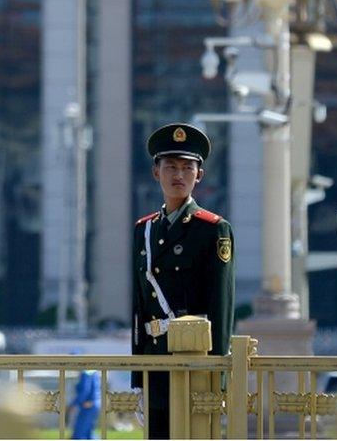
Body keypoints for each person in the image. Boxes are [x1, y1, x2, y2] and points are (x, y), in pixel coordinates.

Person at [130, 123, 235, 439]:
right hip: (155, 362)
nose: (178, 175)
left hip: (195, 362)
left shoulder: (212, 229)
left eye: (187, 168)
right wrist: (138, 378)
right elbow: (139, 307)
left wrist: (218, 377)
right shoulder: (144, 229)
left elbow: (221, 304)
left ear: (199, 175)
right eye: (170, 167)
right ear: (155, 172)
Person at [67, 369, 101, 439]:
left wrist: (73, 404)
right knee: (88, 433)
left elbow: (85, 391)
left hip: (87, 405)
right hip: (94, 404)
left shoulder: (86, 373)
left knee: (79, 433)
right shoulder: (94, 372)